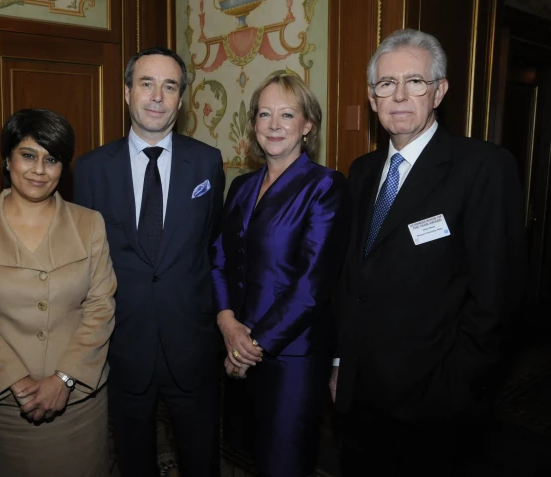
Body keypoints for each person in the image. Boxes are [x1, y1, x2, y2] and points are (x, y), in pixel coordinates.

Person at [332, 28, 526, 476]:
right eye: (386, 84)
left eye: (415, 82)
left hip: (435, 406)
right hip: (359, 397)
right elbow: (349, 279)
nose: (399, 95)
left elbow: (496, 300)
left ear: (439, 91)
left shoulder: (483, 168)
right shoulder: (360, 172)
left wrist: (456, 388)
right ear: (372, 97)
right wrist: (342, 361)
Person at [74, 46, 225, 476]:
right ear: (127, 93)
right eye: (147, 83)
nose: (157, 96)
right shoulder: (90, 170)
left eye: (170, 86)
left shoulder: (208, 163)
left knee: (201, 460)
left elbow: (212, 243)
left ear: (181, 98)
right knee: (134, 460)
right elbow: (84, 262)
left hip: (192, 343)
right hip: (123, 343)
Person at [0, 108, 116, 477]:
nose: (39, 170)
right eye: (28, 155)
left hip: (78, 399)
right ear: (7, 159)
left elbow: (101, 307)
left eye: (52, 159)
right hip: (10, 403)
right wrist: (17, 382)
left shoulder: (89, 224)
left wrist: (65, 379)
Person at [210, 73, 350, 477]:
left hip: (292, 358)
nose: (273, 125)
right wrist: (226, 323)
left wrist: (251, 344)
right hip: (237, 343)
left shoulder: (325, 186)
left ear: (308, 125)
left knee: (286, 463)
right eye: (264, 114)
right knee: (251, 455)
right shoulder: (241, 185)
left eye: (287, 114)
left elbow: (312, 284)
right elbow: (218, 257)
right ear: (253, 123)